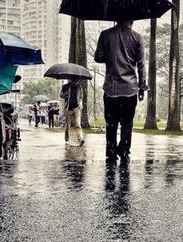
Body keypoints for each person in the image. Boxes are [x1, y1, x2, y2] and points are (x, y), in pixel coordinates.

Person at [95, 18, 147, 163]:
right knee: (127, 123)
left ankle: (111, 153)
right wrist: (142, 87)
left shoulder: (105, 35)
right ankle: (123, 151)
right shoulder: (137, 38)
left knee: (111, 123)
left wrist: (111, 55)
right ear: (132, 19)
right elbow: (141, 65)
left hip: (111, 89)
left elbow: (98, 57)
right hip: (130, 89)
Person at [60, 77, 85, 146]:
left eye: (77, 81)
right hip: (68, 108)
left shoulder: (79, 87)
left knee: (78, 124)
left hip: (76, 108)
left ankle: (80, 138)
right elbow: (61, 95)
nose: (76, 82)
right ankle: (67, 139)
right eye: (75, 81)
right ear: (72, 80)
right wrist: (66, 94)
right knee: (68, 125)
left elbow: (81, 97)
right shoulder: (65, 86)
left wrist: (80, 105)